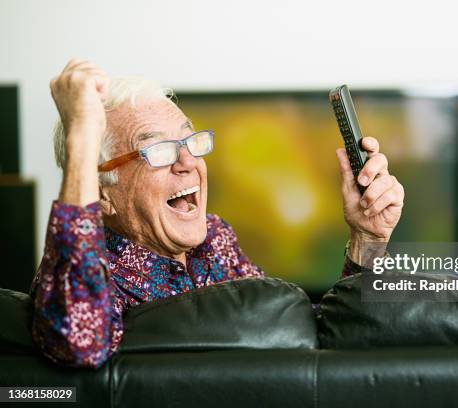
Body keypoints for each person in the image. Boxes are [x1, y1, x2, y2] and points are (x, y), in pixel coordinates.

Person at [29, 59, 405, 368]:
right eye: (159, 150)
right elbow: (79, 344)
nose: (188, 162)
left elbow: (310, 337)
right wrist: (82, 137)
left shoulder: (215, 238)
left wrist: (367, 240)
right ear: (101, 192)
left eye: (190, 140)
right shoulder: (89, 275)